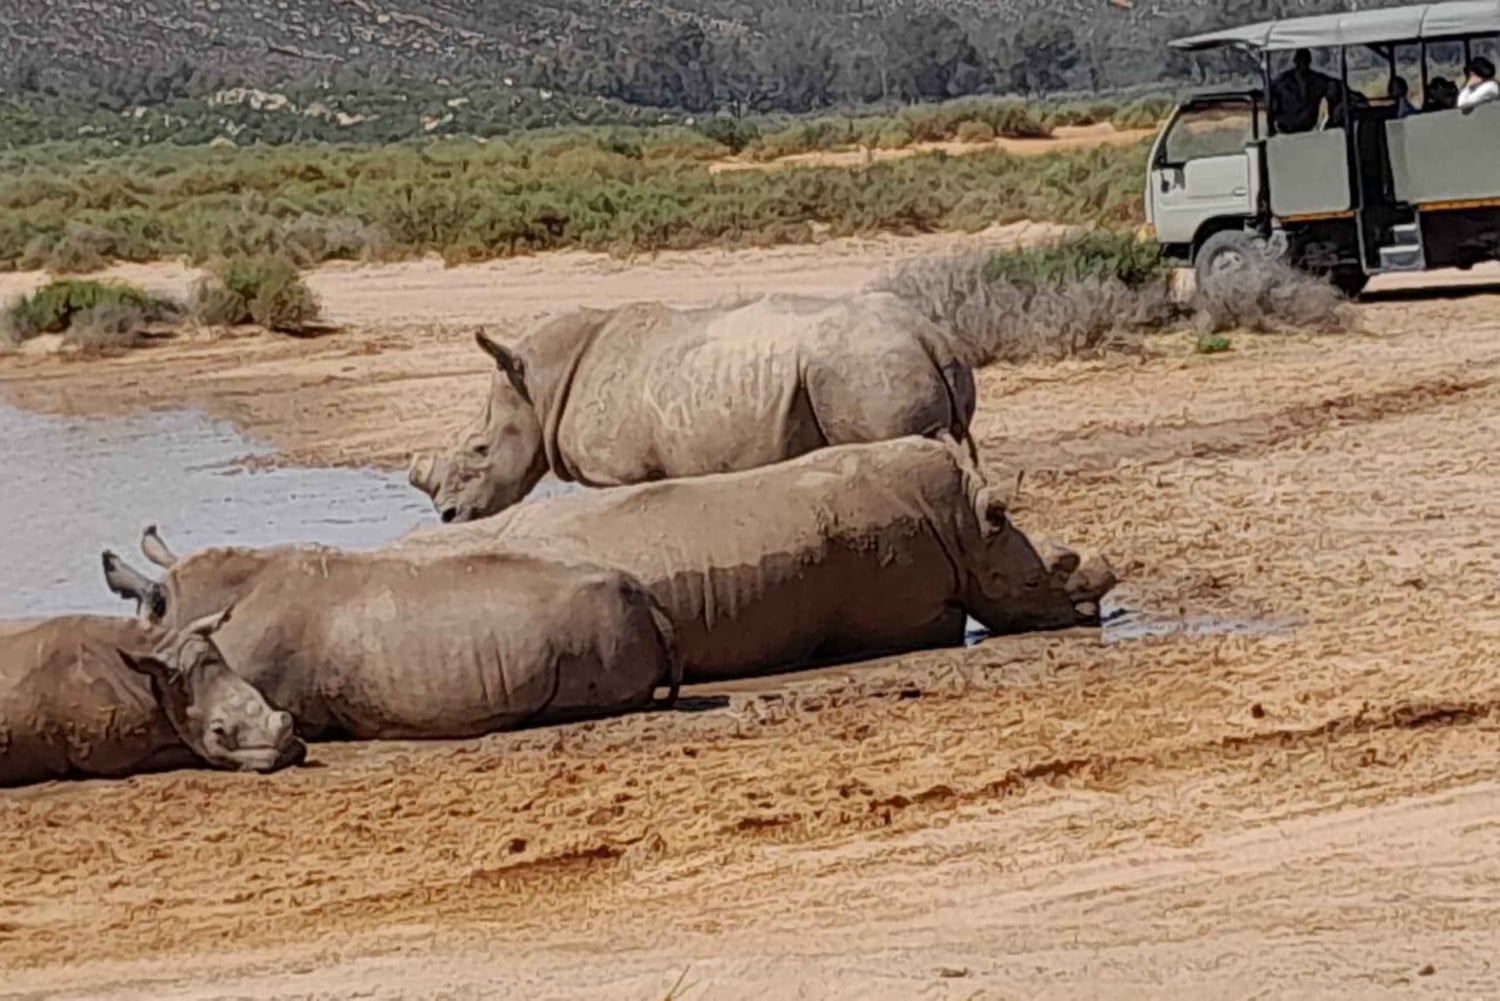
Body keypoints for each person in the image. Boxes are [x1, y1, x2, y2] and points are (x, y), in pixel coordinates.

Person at [1271, 48, 1336, 133]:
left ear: (1309, 62)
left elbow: (1334, 87)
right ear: (1295, 61)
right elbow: (1267, 95)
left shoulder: (1317, 81)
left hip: (1308, 130)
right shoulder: (1282, 81)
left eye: (1305, 61)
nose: (1302, 64)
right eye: (1299, 61)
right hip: (1285, 130)